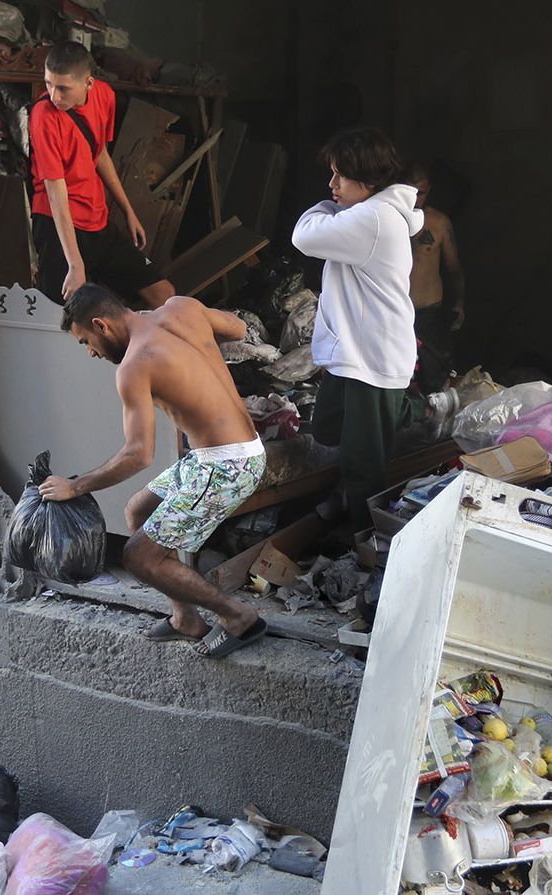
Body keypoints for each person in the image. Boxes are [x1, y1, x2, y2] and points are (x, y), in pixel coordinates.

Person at [39, 285, 270, 659]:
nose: (91, 353)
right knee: (137, 510)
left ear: (102, 325)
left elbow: (138, 454)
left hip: (226, 465)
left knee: (139, 559)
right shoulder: (182, 308)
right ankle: (185, 618)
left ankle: (239, 616)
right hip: (228, 452)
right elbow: (238, 329)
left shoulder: (134, 365)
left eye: (86, 342)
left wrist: (76, 486)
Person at [292, 129, 456, 523]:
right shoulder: (370, 212)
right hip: (354, 352)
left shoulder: (374, 218)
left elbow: (303, 236)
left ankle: (364, 553)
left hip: (372, 358)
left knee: (363, 470)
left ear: (369, 181)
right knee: (328, 428)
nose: (331, 185)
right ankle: (424, 409)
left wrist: (325, 208)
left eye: (340, 176)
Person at [29, 42, 174, 308]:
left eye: (63, 88)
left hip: (97, 220)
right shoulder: (43, 116)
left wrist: (128, 211)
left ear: (89, 83)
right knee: (65, 314)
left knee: (163, 294)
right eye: (48, 84)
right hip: (57, 223)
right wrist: (75, 264)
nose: (54, 96)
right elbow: (55, 190)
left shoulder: (105, 96)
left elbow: (100, 154)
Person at [407, 163, 465, 393]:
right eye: (410, 191)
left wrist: (459, 303)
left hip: (428, 311)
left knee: (433, 375)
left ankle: (432, 421)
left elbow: (454, 269)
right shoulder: (385, 218)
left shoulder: (439, 223)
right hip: (393, 309)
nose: (415, 198)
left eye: (420, 193)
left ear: (428, 191)